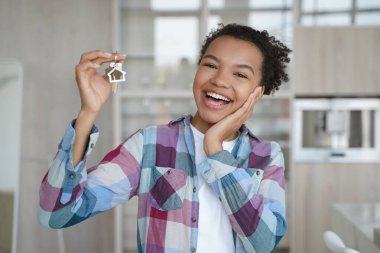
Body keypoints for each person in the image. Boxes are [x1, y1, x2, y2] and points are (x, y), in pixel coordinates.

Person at [39, 23, 291, 253]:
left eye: (240, 74)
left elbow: (264, 243)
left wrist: (215, 148)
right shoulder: (149, 144)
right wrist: (88, 113)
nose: (219, 80)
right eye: (211, 65)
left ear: (258, 93)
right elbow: (55, 214)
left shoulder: (267, 156)